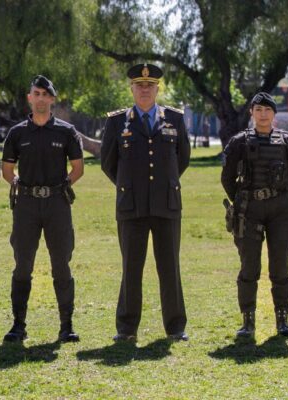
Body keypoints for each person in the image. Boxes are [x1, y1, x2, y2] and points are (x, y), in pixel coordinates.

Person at [100, 63, 191, 342]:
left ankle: (175, 327)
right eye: (139, 85)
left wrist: (164, 183)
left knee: (169, 267)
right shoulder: (117, 122)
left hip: (166, 205)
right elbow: (108, 163)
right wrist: (130, 186)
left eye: (149, 85)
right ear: (131, 88)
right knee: (131, 268)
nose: (144, 90)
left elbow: (182, 158)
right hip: (132, 206)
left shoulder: (174, 119)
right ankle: (126, 329)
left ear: (157, 89)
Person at [1, 75, 84, 343]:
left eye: (44, 94)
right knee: (23, 266)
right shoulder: (17, 133)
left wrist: (62, 186)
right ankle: (18, 325)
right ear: (29, 97)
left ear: (51, 99)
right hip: (26, 205)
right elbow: (7, 169)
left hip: (57, 204)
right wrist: (18, 184)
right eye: (35, 93)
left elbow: (78, 168)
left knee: (61, 265)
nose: (40, 98)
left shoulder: (66, 131)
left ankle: (66, 326)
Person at [221, 92, 288, 338]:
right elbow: (227, 178)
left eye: (267, 110)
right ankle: (248, 321)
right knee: (249, 266)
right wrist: (243, 198)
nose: (263, 114)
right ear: (252, 113)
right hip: (250, 211)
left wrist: (278, 196)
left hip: (281, 210)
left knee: (280, 265)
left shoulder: (287, 143)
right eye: (258, 110)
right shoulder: (239, 142)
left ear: (274, 114)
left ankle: (283, 319)